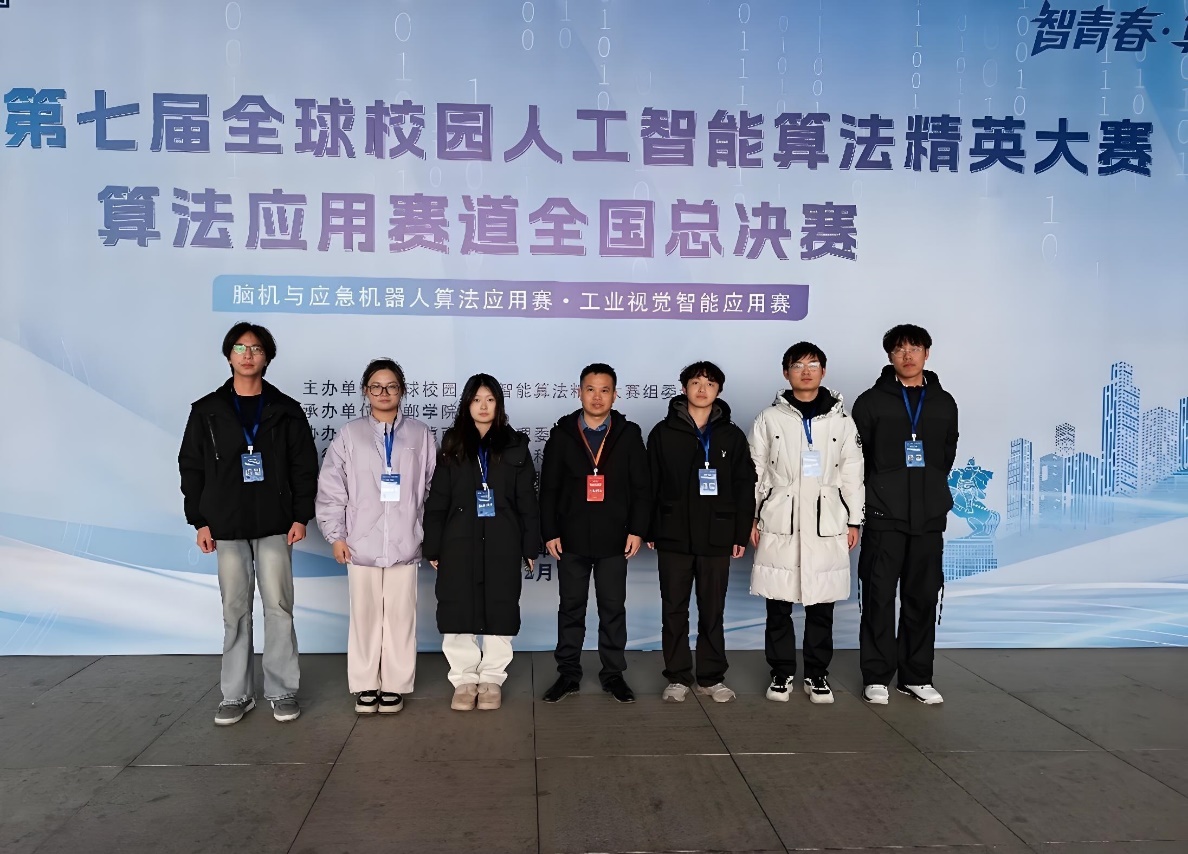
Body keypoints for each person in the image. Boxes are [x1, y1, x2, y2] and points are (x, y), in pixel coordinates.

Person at [179, 322, 319, 725]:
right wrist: (200, 521)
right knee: (235, 609)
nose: (247, 354)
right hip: (225, 523)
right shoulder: (206, 411)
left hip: (276, 522)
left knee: (279, 606)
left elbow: (303, 466)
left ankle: (282, 690)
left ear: (267, 357)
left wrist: (300, 515)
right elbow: (191, 467)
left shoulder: (286, 410)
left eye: (255, 348)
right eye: (239, 348)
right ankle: (236, 694)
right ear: (228, 356)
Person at [315, 358, 436, 715]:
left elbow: (433, 488)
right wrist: (336, 535)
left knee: (401, 617)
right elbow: (332, 487)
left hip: (405, 541)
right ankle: (366, 684)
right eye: (376, 386)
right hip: (360, 543)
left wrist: (428, 535)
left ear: (403, 390)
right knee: (364, 616)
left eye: (391, 386)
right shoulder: (349, 435)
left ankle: (395, 684)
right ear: (365, 391)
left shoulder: (420, 435)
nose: (384, 393)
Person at [749, 342, 864, 704]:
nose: (806, 371)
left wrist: (854, 520)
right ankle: (781, 673)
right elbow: (755, 471)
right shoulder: (769, 418)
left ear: (823, 372)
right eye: (797, 365)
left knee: (822, 605)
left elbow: (852, 473)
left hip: (826, 518)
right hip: (779, 517)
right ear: (786, 373)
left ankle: (817, 674)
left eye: (813, 364)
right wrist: (752, 517)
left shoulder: (841, 420)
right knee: (777, 605)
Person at [852, 324, 959, 705]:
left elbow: (946, 454)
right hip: (884, 515)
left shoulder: (944, 402)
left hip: (928, 518)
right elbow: (857, 459)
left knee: (923, 597)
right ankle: (877, 676)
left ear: (927, 353)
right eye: (900, 349)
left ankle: (916, 676)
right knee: (878, 597)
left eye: (915, 348)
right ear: (889, 356)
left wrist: (930, 491)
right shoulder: (870, 402)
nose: (908, 355)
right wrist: (880, 492)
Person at [423, 375, 541, 711]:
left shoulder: (515, 445)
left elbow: (527, 501)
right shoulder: (453, 445)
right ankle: (463, 678)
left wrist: (529, 546)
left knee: (500, 605)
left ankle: (491, 677)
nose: (483, 406)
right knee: (457, 605)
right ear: (467, 404)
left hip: (504, 539)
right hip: (458, 540)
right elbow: (438, 499)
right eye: (476, 400)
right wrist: (433, 546)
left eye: (490, 399)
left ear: (499, 404)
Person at [539, 363, 651, 704]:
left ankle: (613, 675)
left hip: (615, 538)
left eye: (604, 390)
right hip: (570, 538)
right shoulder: (562, 434)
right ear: (579, 392)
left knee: (612, 609)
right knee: (570, 608)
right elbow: (549, 488)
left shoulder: (628, 434)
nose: (597, 397)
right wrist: (550, 531)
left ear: (615, 395)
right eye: (590, 389)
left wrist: (637, 530)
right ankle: (568, 675)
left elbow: (642, 487)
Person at [646, 361, 756, 703]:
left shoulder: (731, 435)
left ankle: (711, 677)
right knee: (673, 608)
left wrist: (739, 533)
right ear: (684, 389)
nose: (702, 389)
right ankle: (677, 676)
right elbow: (650, 483)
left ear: (719, 390)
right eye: (695, 382)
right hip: (673, 534)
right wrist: (650, 528)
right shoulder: (663, 433)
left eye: (710, 383)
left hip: (717, 534)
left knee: (712, 610)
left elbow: (744, 485)